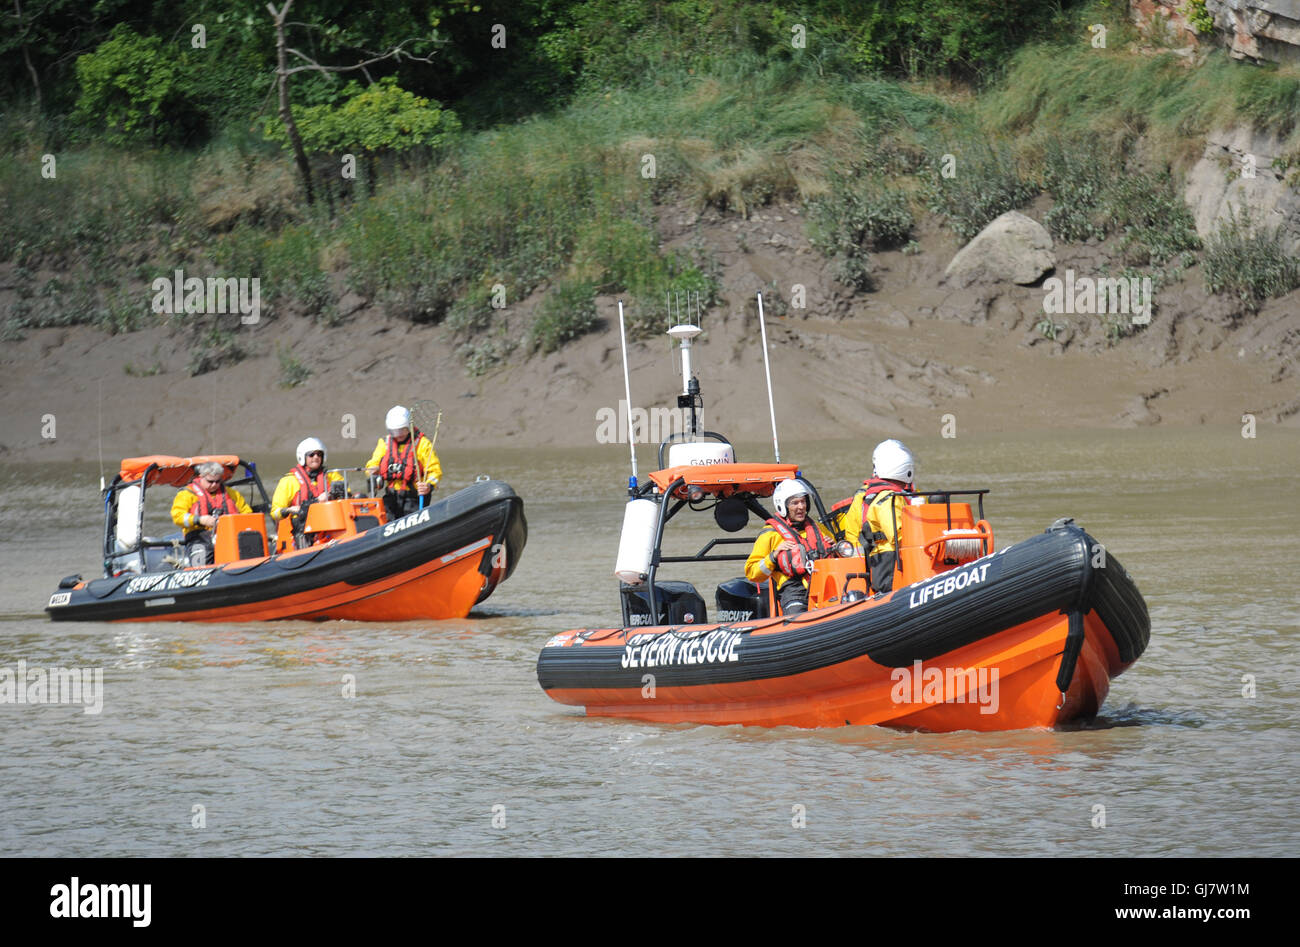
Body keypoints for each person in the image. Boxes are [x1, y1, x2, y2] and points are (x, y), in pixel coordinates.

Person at [745, 479, 835, 615]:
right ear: (783, 506)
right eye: (795, 503)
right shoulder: (770, 534)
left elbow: (838, 557)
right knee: (797, 615)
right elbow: (752, 572)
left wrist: (834, 547)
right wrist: (774, 556)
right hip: (793, 590)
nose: (801, 507)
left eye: (803, 501)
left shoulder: (819, 529)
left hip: (825, 584)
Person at [841, 438, 918, 594]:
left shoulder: (868, 495)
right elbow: (899, 534)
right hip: (890, 562)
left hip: (879, 561)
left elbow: (851, 533)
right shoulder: (889, 498)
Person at [365, 405, 442, 520]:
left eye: (402, 430)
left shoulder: (422, 444)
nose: (399, 434)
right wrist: (373, 471)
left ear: (409, 427)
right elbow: (372, 464)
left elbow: (435, 471)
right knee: (385, 517)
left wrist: (428, 486)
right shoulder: (384, 443)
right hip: (392, 497)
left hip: (414, 497)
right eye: (394, 431)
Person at [171, 461, 252, 565]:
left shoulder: (231, 494)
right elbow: (178, 516)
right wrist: (200, 520)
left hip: (229, 537)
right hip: (198, 538)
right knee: (199, 565)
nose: (214, 485)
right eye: (210, 481)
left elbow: (247, 513)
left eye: (218, 481)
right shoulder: (187, 494)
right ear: (201, 477)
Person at [270, 437, 345, 548]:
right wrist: (289, 510)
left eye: (319, 454)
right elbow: (275, 512)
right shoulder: (289, 482)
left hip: (331, 526)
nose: (316, 457)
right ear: (303, 457)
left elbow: (348, 496)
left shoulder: (333, 476)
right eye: (311, 454)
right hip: (303, 532)